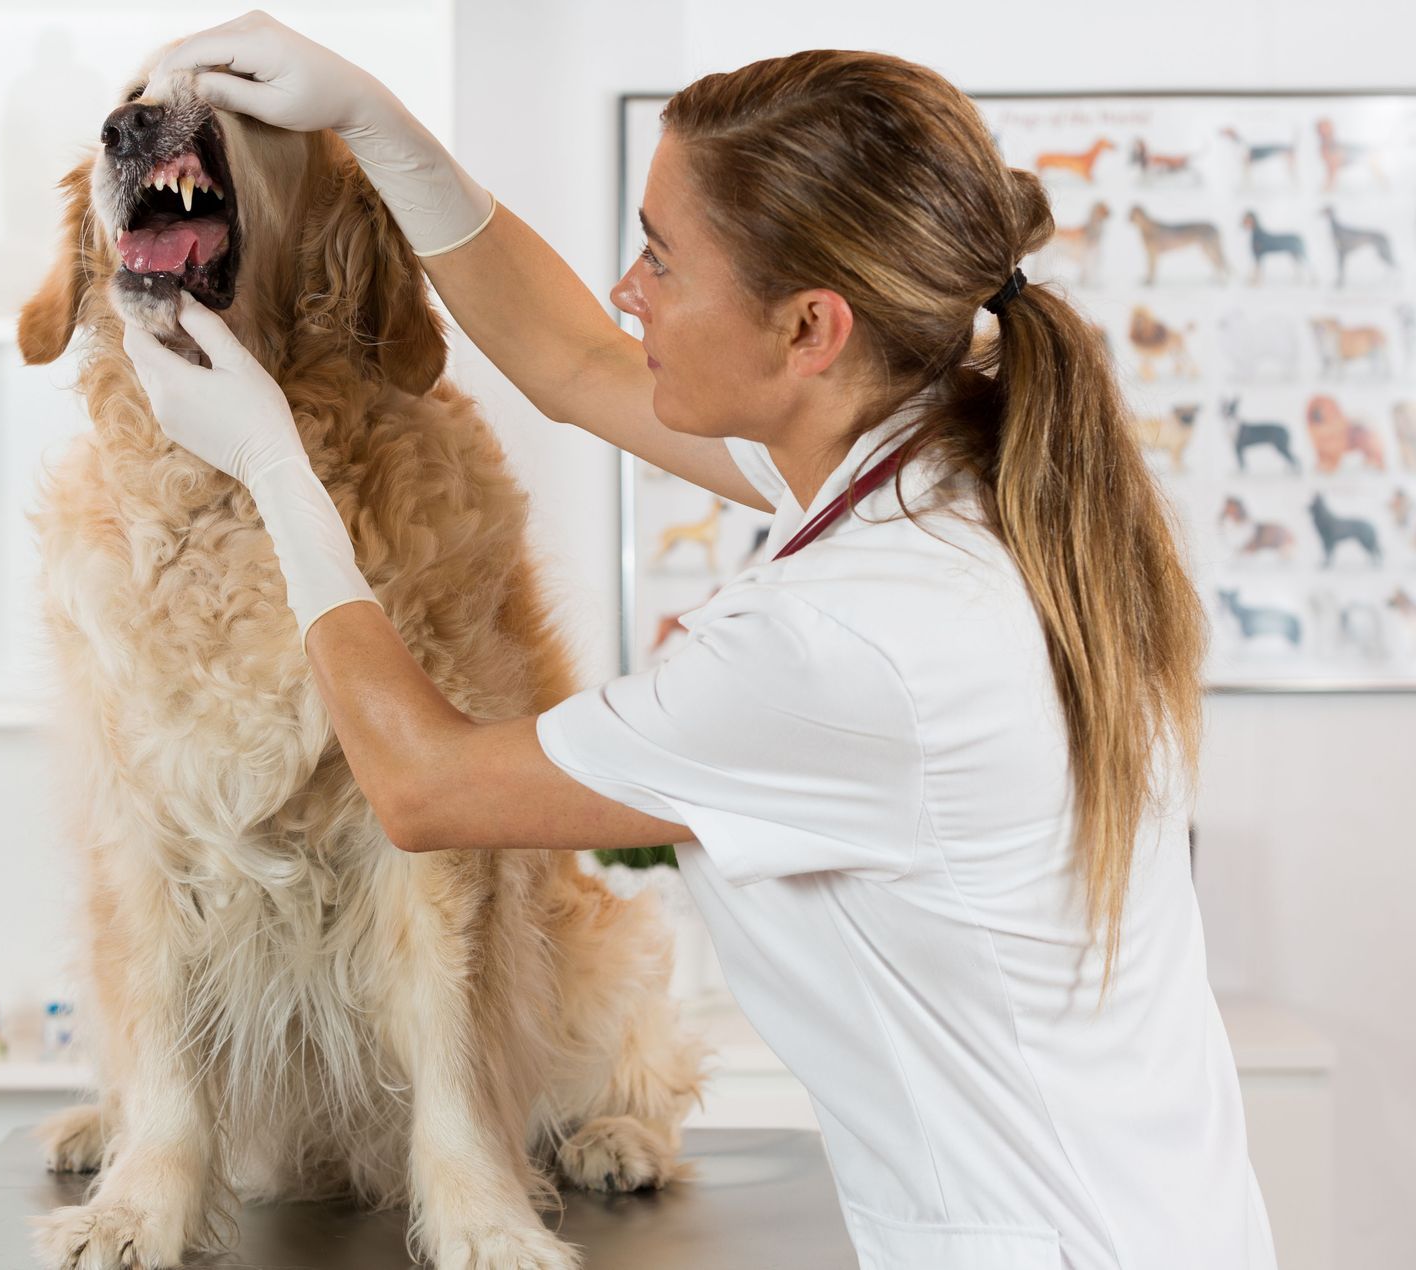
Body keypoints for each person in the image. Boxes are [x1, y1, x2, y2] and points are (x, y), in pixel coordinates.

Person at [122, 14, 1277, 1269]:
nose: (631, 294)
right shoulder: (955, 466)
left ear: (809, 330)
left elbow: (424, 785)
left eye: (662, 263)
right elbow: (568, 360)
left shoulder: (847, 643)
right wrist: (381, 127)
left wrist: (274, 465)